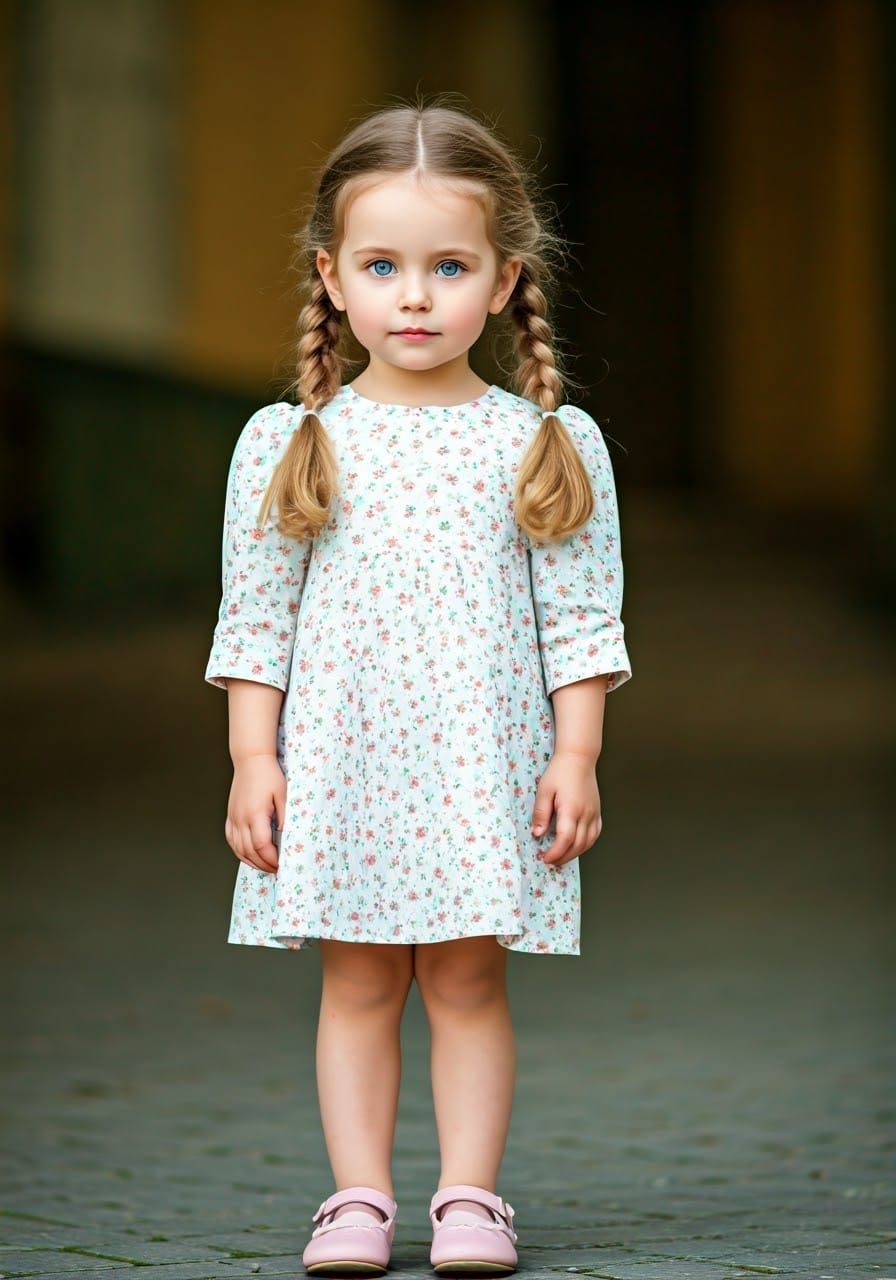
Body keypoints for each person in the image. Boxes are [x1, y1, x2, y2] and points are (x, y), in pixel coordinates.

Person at [204, 96, 633, 1278]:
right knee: (353, 980)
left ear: (500, 282)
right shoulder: (292, 442)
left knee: (464, 975)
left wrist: (575, 754)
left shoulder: (542, 442)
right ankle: (354, 1198)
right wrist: (254, 757)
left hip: (474, 764)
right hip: (342, 763)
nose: (413, 295)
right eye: (382, 264)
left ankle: (468, 1197)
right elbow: (257, 622)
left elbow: (580, 624)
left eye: (447, 266)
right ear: (331, 277)